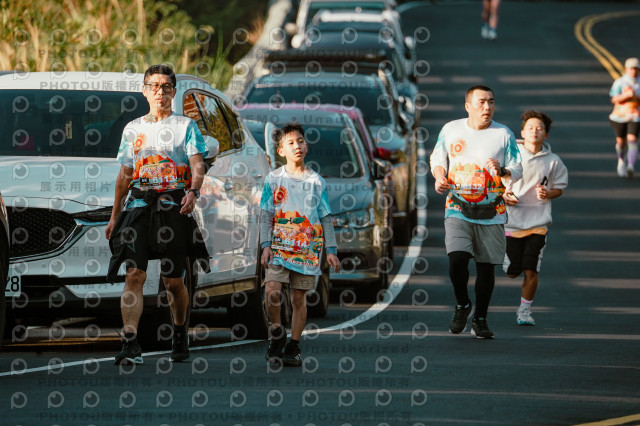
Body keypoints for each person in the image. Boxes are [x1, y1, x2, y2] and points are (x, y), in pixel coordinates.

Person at [105, 64, 210, 365]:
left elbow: (198, 164)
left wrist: (193, 191)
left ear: (173, 92)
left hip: (172, 206)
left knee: (173, 281)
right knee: (134, 273)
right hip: (139, 207)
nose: (159, 92)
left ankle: (179, 331)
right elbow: (125, 175)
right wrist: (115, 216)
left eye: (165, 86)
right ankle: (130, 342)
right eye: (153, 86)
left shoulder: (185, 126)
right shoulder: (133, 129)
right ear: (144, 91)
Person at [430, 85, 522, 339]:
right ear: (467, 106)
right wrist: (439, 177)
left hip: (492, 211)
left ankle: (480, 319)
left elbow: (517, 167)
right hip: (457, 207)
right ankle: (462, 304)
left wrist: (502, 170)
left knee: (486, 268)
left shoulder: (503, 134)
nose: (487, 107)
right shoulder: (451, 129)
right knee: (457, 260)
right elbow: (437, 158)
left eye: (491, 102)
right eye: (481, 102)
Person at [259, 123, 340, 366]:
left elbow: (325, 217)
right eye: (291, 143)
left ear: (307, 146)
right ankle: (276, 332)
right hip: (279, 247)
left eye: (301, 141)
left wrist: (331, 251)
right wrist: (265, 245)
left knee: (298, 298)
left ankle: (293, 345)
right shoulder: (274, 179)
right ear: (280, 151)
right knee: (272, 290)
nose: (297, 146)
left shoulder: (316, 182)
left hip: (306, 250)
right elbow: (266, 214)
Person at [503, 110, 568, 326]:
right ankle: (509, 263)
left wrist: (548, 193)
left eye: (539, 128)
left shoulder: (553, 161)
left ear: (546, 135)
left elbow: (559, 188)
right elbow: (498, 183)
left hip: (538, 223)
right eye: (530, 128)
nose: (535, 131)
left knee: (531, 268)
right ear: (522, 132)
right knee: (513, 272)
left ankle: (524, 311)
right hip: (512, 222)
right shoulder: (512, 156)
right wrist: (505, 196)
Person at [609, 57, 640, 178]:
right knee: (621, 142)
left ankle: (631, 166)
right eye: (631, 69)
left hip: (635, 116)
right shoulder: (620, 82)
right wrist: (625, 96)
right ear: (626, 69)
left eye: (636, 69)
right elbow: (614, 99)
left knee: (632, 140)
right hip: (619, 116)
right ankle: (621, 160)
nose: (634, 71)